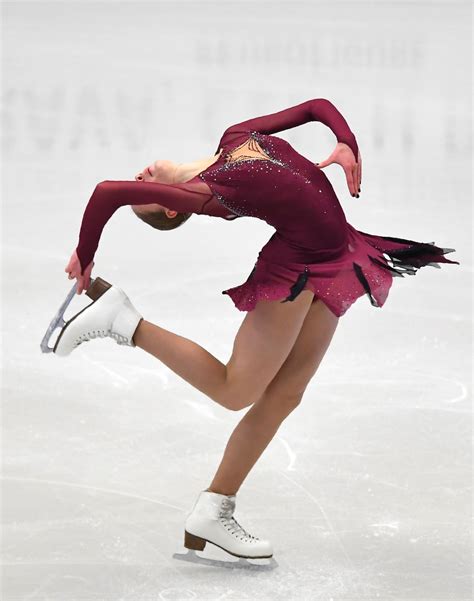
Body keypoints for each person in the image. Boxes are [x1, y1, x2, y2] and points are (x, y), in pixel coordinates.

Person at [59, 98, 459, 561]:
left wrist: (345, 142)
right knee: (235, 391)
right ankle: (123, 320)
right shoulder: (204, 194)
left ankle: (214, 508)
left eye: (139, 178)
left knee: (287, 393)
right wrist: (86, 254)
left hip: (337, 256)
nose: (139, 177)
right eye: (142, 190)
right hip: (297, 268)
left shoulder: (234, 138)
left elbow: (315, 107)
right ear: (170, 212)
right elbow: (109, 191)